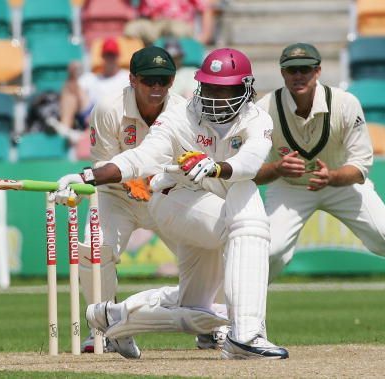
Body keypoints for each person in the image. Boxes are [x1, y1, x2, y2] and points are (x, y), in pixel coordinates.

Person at [56, 48, 290, 360]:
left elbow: (250, 160)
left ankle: (113, 315)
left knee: (198, 310)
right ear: (199, 85)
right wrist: (88, 176)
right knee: (246, 216)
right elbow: (142, 156)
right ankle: (246, 335)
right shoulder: (180, 116)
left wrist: (219, 167)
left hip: (209, 205)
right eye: (211, 88)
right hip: (172, 200)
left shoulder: (256, 117)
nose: (218, 97)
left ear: (245, 88)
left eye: (227, 89)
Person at [254, 42, 385, 340]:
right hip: (290, 186)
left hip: (342, 183)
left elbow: (362, 167)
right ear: (282, 74)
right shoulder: (265, 110)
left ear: (318, 71)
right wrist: (277, 170)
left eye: (305, 69)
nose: (298, 76)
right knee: (270, 250)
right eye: (291, 70)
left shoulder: (345, 104)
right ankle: (247, 324)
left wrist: (333, 177)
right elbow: (252, 171)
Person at [69, 45, 226, 355]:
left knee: (210, 242)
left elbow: (188, 161)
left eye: (164, 81)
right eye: (149, 81)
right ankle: (102, 328)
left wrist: (154, 183)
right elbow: (102, 164)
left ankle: (211, 325)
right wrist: (131, 182)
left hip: (166, 196)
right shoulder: (108, 110)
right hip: (116, 197)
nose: (156, 88)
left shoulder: (183, 112)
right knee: (93, 249)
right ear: (132, 79)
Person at [57, 38, 130, 141]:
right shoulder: (91, 78)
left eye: (112, 55)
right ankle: (64, 129)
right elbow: (72, 88)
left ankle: (80, 135)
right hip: (91, 115)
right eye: (107, 55)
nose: (110, 59)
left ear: (118, 57)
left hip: (115, 116)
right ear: (102, 57)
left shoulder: (126, 77)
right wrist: (72, 75)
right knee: (71, 88)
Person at [124, 0, 215, 46]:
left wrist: (205, 36)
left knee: (175, 29)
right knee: (131, 29)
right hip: (153, 24)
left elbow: (206, 8)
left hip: (178, 23)